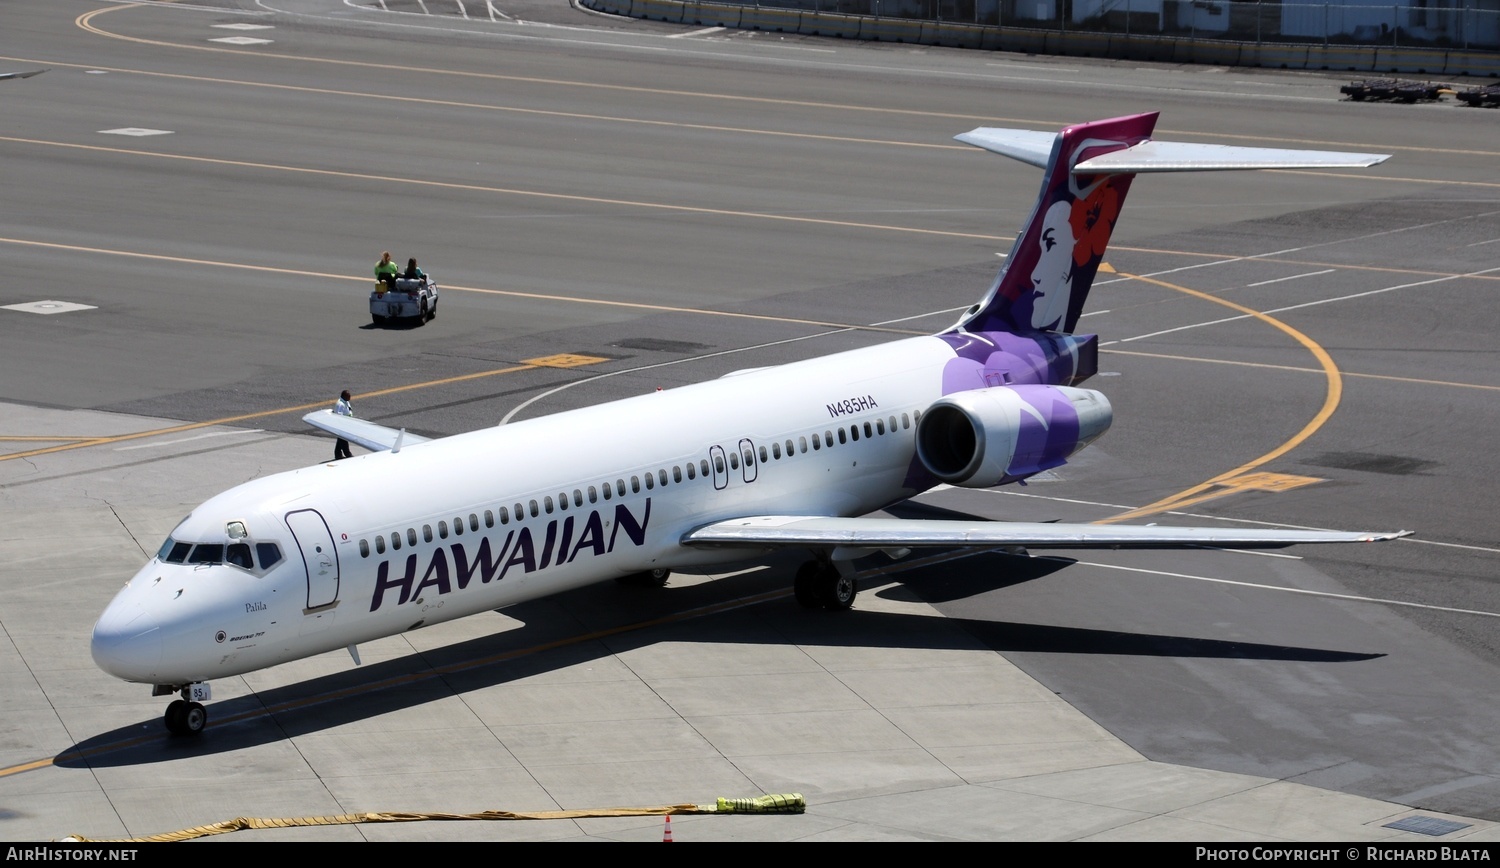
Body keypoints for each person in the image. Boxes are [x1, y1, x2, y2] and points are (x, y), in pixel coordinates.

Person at [332, 390, 353, 460]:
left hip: (347, 424)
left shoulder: (346, 402)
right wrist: (342, 426)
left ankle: (337, 454)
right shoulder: (340, 404)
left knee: (340, 439)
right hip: (342, 426)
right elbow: (339, 416)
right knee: (343, 439)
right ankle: (348, 454)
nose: (350, 397)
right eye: (348, 396)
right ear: (344, 396)